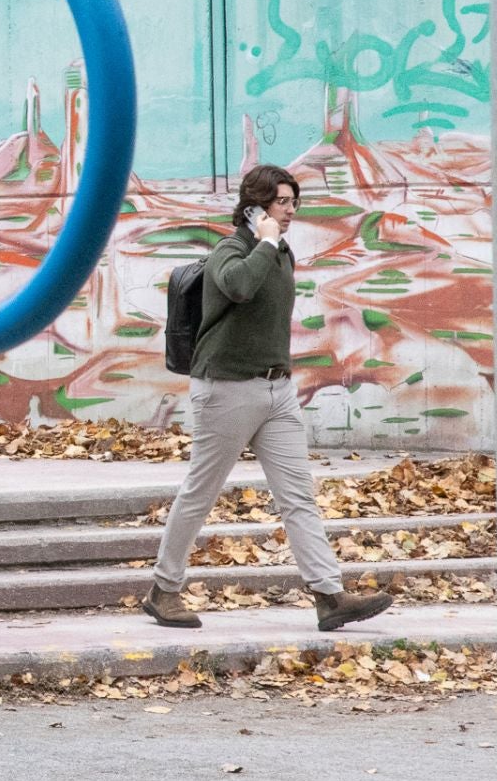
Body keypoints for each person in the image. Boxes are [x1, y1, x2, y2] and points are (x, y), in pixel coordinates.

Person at [142, 164, 394, 632]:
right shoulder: (230, 250)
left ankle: (329, 595)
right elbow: (238, 286)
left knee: (298, 495)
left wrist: (271, 242)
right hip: (227, 389)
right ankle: (163, 590)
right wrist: (263, 239)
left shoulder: (278, 251)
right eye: (282, 202)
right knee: (201, 493)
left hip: (277, 391)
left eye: (294, 202)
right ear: (255, 206)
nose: (291, 211)